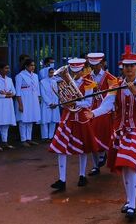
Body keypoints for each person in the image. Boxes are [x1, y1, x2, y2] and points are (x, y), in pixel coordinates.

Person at [90, 53, 136, 220]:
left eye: (132, 66)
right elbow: (106, 105)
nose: (128, 69)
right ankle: (129, 200)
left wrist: (135, 94)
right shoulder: (116, 85)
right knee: (125, 167)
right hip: (120, 131)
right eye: (126, 66)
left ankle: (132, 205)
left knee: (131, 164)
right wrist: (92, 113)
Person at [49, 59, 104, 191]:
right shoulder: (63, 83)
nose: (74, 74)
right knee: (60, 148)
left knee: (83, 147)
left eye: (77, 71)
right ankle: (62, 179)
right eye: (71, 72)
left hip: (81, 117)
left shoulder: (89, 84)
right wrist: (64, 103)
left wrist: (74, 103)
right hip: (67, 117)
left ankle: (82, 175)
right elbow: (62, 99)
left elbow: (88, 103)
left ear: (82, 70)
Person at [15, 59, 41, 147]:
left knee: (30, 120)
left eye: (34, 65)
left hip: (33, 100)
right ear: (26, 66)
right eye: (31, 65)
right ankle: (23, 139)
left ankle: (29, 139)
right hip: (24, 99)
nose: (33, 67)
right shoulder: (20, 76)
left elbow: (37, 90)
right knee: (23, 120)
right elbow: (18, 91)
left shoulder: (35, 76)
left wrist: (38, 100)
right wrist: (20, 104)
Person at [0, 63, 17, 150]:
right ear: (1, 69)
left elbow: (14, 92)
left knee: (6, 124)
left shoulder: (9, 79)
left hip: (8, 103)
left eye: (8, 68)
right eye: (6, 68)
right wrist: (7, 94)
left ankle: (5, 142)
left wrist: (5, 93)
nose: (8, 70)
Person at [39, 72, 60, 143]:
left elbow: (56, 93)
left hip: (54, 103)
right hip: (46, 104)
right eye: (50, 72)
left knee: (53, 121)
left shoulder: (54, 81)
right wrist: (49, 103)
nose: (51, 74)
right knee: (45, 121)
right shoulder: (42, 82)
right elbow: (43, 94)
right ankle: (45, 137)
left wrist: (55, 103)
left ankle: (51, 136)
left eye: (52, 73)